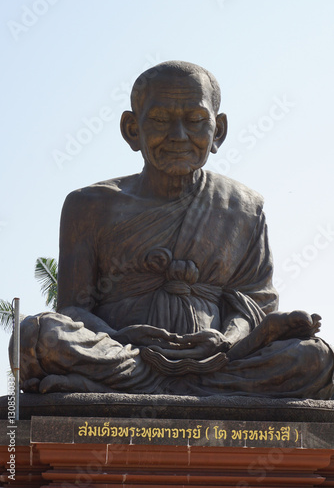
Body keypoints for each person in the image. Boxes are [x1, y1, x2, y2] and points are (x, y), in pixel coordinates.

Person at [15, 61, 334, 398]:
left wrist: (232, 341)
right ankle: (191, 389)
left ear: (219, 131)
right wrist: (123, 338)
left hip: (222, 358)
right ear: (132, 129)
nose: (179, 136)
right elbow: (74, 309)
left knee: (315, 357)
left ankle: (125, 389)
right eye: (160, 120)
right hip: (124, 353)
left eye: (195, 120)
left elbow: (252, 305)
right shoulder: (90, 206)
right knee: (37, 335)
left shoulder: (243, 208)